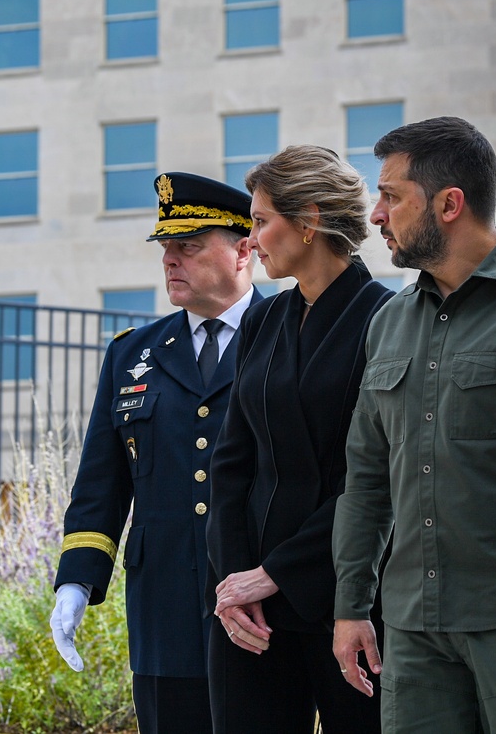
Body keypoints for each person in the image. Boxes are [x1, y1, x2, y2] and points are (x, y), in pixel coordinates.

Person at [331, 116, 496, 733]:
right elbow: (366, 478)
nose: (377, 216)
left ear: (450, 203)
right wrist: (351, 607)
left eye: (392, 197)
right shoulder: (389, 322)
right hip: (412, 630)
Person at [50, 171, 262, 734]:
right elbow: (101, 484)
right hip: (162, 610)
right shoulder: (133, 354)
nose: (171, 260)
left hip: (259, 608)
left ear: (244, 249)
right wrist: (76, 579)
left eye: (188, 246)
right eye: (166, 248)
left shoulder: (285, 336)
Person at [205, 145, 392, 733]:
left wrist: (279, 571)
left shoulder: (387, 320)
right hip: (253, 613)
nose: (251, 240)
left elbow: (377, 477)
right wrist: (238, 583)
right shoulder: (263, 319)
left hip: (349, 604)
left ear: (309, 221)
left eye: (261, 221)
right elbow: (232, 461)